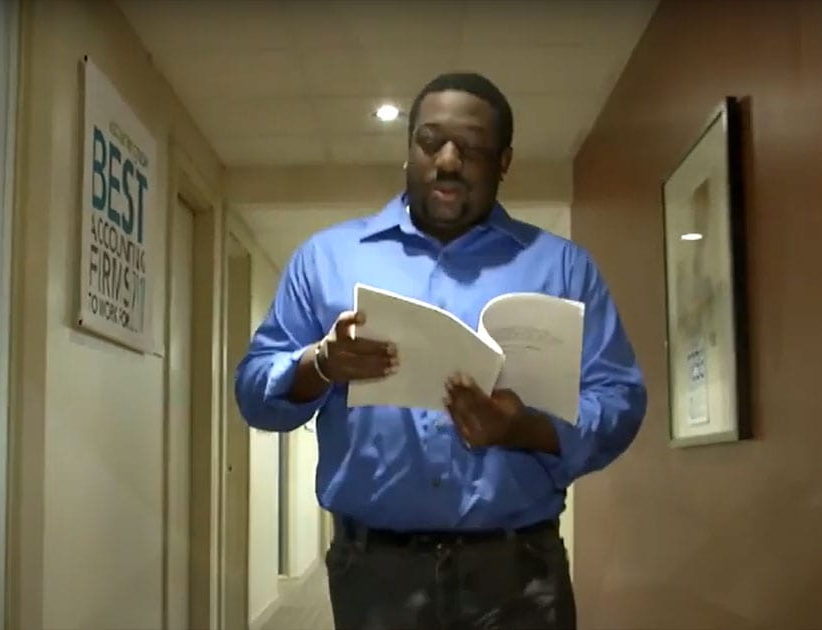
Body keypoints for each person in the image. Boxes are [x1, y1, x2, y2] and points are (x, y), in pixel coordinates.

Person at [234, 72, 646, 630]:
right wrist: (320, 364)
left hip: (519, 570)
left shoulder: (563, 268)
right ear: (409, 150)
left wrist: (522, 429)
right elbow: (254, 392)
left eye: (472, 147)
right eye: (430, 141)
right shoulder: (324, 259)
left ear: (503, 161)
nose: (448, 160)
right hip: (373, 569)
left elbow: (620, 400)